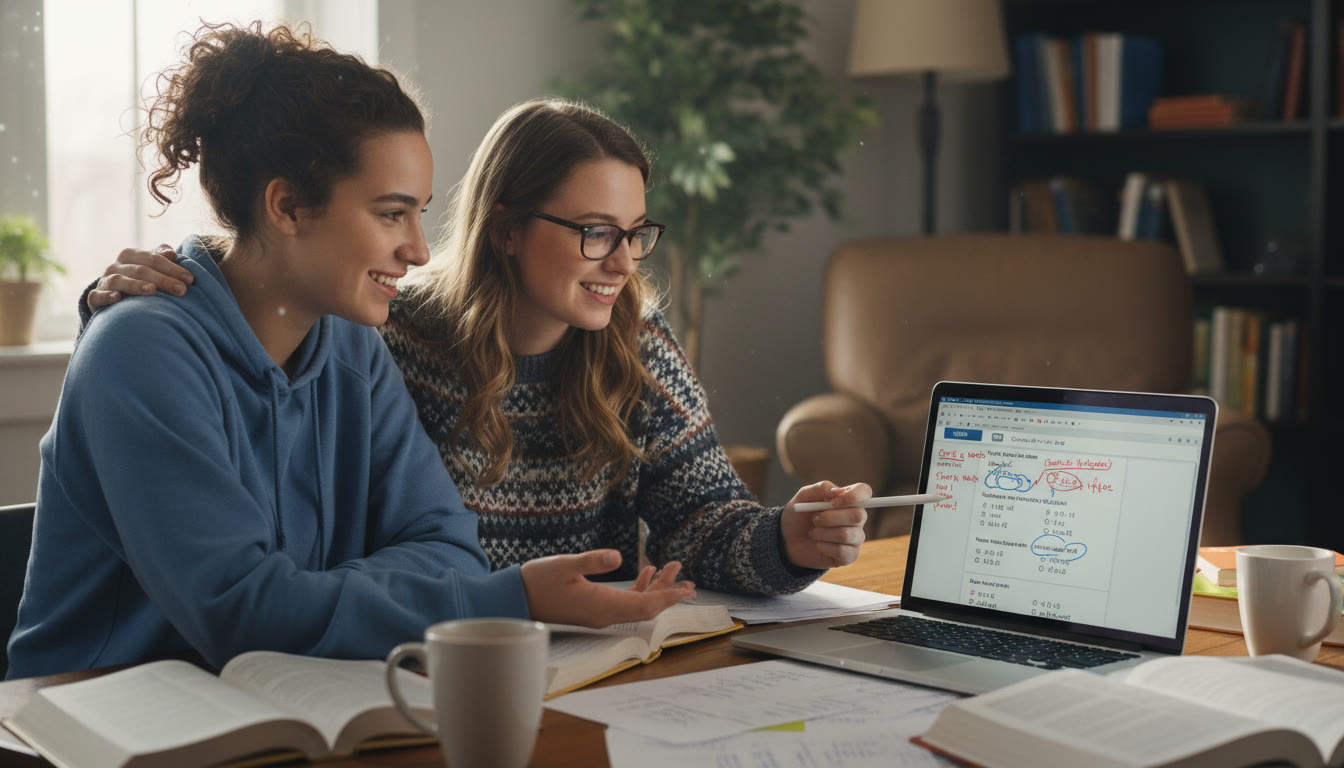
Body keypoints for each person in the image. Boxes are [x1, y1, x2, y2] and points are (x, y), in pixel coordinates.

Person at [6, 24, 691, 681]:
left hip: (280, 695)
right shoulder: (141, 349)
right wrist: (501, 598)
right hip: (88, 721)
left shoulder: (353, 345)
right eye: (391, 213)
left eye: (421, 212)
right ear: (287, 207)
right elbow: (241, 609)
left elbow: (449, 549)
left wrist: (302, 597)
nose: (420, 250)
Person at [82, 98, 872, 598]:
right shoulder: (384, 327)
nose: (625, 262)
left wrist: (784, 540)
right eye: (596, 232)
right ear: (506, 228)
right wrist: (120, 310)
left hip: (590, 661)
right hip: (417, 655)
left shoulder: (636, 342)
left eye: (635, 234)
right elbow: (255, 320)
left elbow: (700, 523)